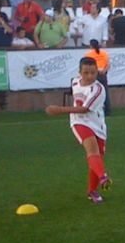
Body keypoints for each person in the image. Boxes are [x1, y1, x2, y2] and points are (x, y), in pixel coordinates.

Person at [45, 57, 112, 204]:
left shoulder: (98, 90)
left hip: (97, 124)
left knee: (97, 157)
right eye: (86, 73)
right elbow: (79, 108)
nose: (89, 76)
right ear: (79, 72)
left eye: (93, 73)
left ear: (97, 73)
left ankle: (92, 191)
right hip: (79, 121)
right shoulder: (75, 81)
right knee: (92, 151)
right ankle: (103, 177)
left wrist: (59, 110)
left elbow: (84, 109)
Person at [85, 39, 111, 116]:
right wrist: (103, 71)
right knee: (104, 92)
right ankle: (107, 110)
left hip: (93, 74)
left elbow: (87, 65)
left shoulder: (88, 54)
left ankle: (93, 109)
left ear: (91, 46)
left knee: (93, 93)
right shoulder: (104, 53)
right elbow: (108, 64)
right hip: (103, 74)